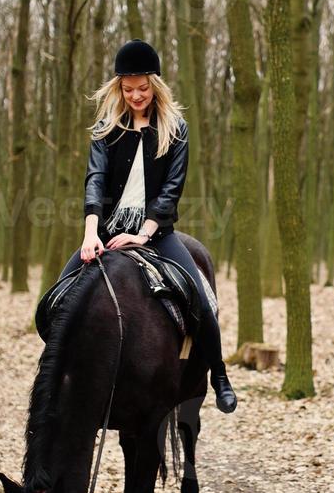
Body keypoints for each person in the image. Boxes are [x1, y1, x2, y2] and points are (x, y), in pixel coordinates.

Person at [56, 38, 237, 414]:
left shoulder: (177, 129)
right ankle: (58, 376)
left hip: (157, 234)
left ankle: (218, 375)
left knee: (202, 301)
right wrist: (91, 234)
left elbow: (172, 189)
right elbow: (95, 181)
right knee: (58, 298)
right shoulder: (106, 129)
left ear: (154, 84)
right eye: (127, 88)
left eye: (142, 88)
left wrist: (144, 233)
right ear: (118, 88)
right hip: (107, 231)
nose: (135, 96)